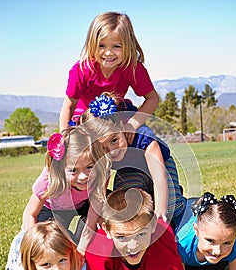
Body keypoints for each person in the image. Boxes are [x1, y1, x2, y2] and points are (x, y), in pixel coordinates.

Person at [79, 93, 186, 226]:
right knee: (128, 207)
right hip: (129, 171)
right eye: (103, 148)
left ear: (122, 127)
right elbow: (99, 187)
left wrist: (160, 213)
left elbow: (159, 175)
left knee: (171, 207)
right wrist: (99, 216)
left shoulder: (142, 136)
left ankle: (177, 196)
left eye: (114, 140)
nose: (112, 151)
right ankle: (148, 198)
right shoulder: (100, 154)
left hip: (161, 166)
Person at [59, 11, 159, 134]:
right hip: (85, 123)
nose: (108, 53)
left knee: (150, 142)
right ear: (92, 44)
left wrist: (131, 126)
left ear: (128, 46)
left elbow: (152, 99)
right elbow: (68, 107)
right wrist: (63, 139)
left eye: (116, 46)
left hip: (118, 120)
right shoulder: (81, 70)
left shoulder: (133, 68)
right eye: (101, 46)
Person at [20, 125, 109, 253]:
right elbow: (30, 214)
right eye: (74, 170)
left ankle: (80, 234)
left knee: (103, 219)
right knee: (51, 238)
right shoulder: (48, 181)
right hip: (53, 209)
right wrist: (33, 241)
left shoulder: (100, 174)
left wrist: (81, 249)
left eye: (89, 167)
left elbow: (94, 211)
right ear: (61, 168)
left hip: (84, 204)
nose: (83, 176)